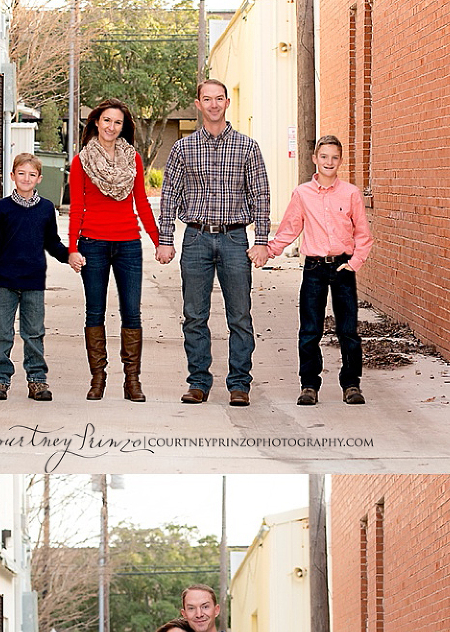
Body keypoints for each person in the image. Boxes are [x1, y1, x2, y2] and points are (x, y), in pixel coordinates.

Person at [156, 79, 271, 407]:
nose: (214, 104)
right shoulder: (183, 148)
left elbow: (261, 195)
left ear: (227, 103)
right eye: (207, 99)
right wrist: (166, 239)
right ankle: (198, 382)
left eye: (219, 98)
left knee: (240, 316)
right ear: (198, 104)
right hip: (196, 238)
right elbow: (169, 195)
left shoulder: (247, 147)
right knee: (194, 315)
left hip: (235, 239)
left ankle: (239, 384)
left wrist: (261, 241)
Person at [267, 134, 373, 406]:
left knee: (348, 330)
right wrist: (268, 250)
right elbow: (290, 228)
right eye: (324, 156)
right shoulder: (302, 194)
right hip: (314, 268)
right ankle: (309, 385)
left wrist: (354, 263)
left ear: (341, 161)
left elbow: (363, 234)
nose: (329, 162)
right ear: (315, 158)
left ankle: (351, 384)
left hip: (343, 267)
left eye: (334, 157)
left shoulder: (351, 193)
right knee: (310, 330)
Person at [68, 99, 160, 402]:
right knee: (94, 311)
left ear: (123, 127)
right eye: (106, 120)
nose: (111, 126)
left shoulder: (133, 159)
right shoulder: (81, 161)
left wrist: (158, 241)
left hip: (128, 244)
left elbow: (141, 202)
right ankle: (98, 379)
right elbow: (77, 207)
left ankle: (132, 381)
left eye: (117, 122)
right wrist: (72, 248)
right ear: (97, 122)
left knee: (131, 312)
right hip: (92, 244)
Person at [0, 152, 71, 402]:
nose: (26, 178)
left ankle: (37, 380)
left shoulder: (46, 209)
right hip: (6, 282)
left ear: (39, 178)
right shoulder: (2, 209)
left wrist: (69, 256)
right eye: (21, 173)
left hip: (33, 282)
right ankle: (0, 380)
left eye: (32, 174)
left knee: (33, 333)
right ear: (12, 176)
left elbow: (52, 242)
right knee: (1, 333)